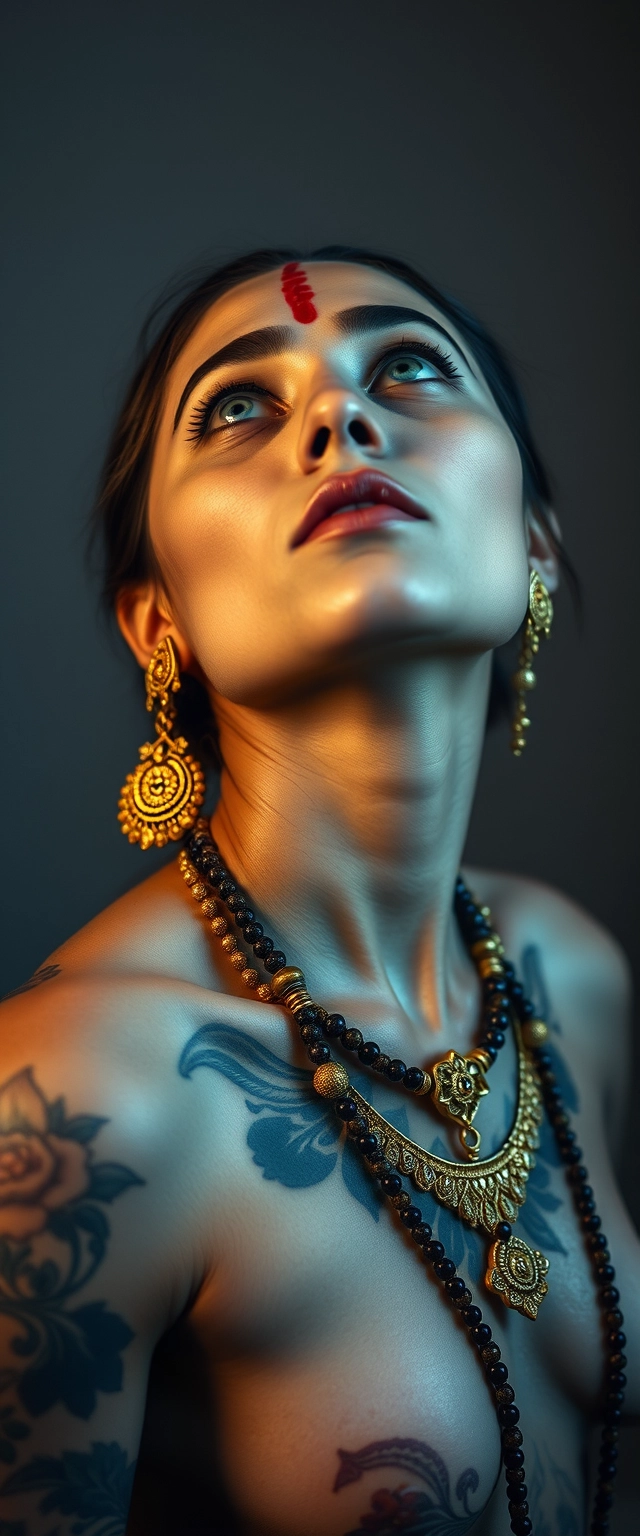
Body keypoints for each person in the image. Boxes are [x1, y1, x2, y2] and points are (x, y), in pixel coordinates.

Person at [0, 247, 637, 1536]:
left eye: (407, 365)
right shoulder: (79, 1102)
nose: (341, 417)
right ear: (156, 622)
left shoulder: (570, 974)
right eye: (238, 405)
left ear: (535, 550)